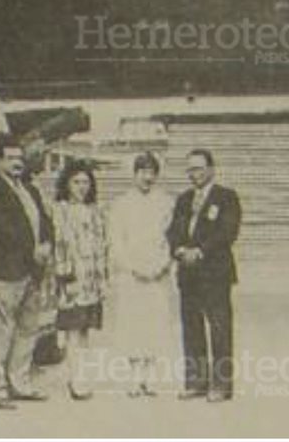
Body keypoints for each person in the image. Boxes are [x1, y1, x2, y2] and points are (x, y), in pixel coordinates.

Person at [0, 142, 54, 409]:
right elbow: (0, 231)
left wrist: (46, 244)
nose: (17, 163)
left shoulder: (30, 189)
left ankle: (20, 384)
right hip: (6, 272)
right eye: (10, 158)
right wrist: (30, 251)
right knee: (0, 332)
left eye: (19, 158)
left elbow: (45, 221)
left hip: (32, 271)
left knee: (27, 330)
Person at [167, 149, 241, 403]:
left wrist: (199, 251)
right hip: (188, 274)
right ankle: (196, 382)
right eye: (190, 169)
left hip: (215, 273)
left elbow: (227, 232)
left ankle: (221, 385)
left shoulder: (226, 197)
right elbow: (174, 230)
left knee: (219, 329)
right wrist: (178, 249)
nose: (194, 174)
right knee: (192, 328)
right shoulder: (184, 199)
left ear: (211, 169)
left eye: (199, 168)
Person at [108, 151, 176, 398]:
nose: (147, 177)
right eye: (142, 171)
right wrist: (132, 267)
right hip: (132, 275)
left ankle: (149, 378)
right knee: (132, 324)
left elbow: (171, 239)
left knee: (155, 324)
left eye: (151, 172)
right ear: (134, 174)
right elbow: (116, 241)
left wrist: (161, 265)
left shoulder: (166, 202)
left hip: (157, 275)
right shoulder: (122, 203)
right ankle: (134, 379)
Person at [51, 160, 108, 400]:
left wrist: (103, 279)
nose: (81, 187)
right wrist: (66, 278)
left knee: (84, 332)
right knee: (73, 332)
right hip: (72, 280)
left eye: (86, 182)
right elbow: (59, 247)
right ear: (66, 184)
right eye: (76, 182)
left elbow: (103, 246)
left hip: (92, 280)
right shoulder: (60, 210)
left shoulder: (95, 211)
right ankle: (77, 381)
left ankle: (83, 377)